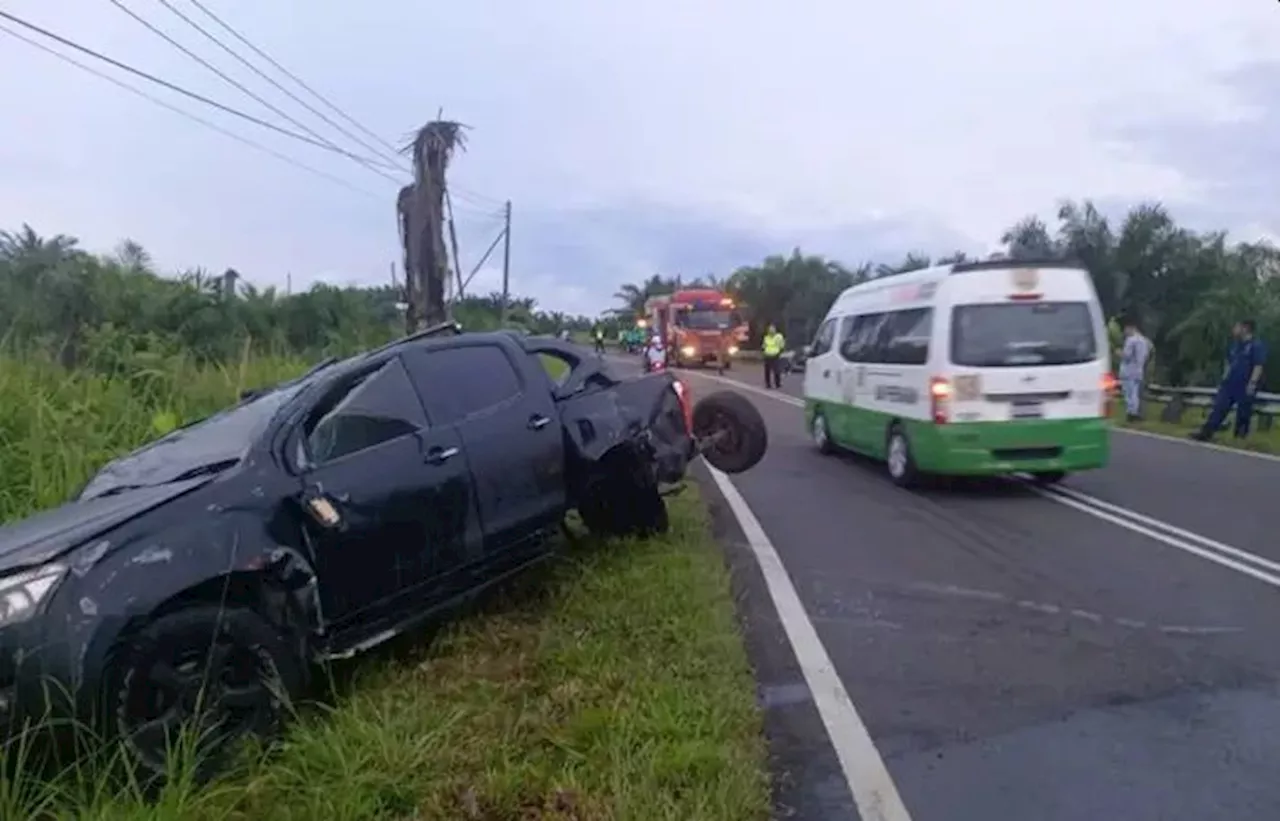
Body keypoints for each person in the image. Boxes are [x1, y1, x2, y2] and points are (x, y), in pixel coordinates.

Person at [1191, 319, 1266, 441]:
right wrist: (1224, 379)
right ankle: (1206, 433)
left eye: (1237, 326)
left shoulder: (1256, 345)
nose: (1234, 330)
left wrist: (1252, 383)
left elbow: (1258, 365)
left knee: (1243, 413)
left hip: (1245, 385)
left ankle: (1240, 437)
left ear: (1245, 328)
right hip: (1229, 384)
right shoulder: (1235, 345)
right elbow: (1229, 363)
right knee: (1219, 408)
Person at [1118, 318, 1152, 421]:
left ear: (1131, 328)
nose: (1125, 332)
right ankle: (1135, 412)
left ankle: (1131, 413)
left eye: (1126, 329)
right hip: (1138, 370)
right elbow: (1147, 354)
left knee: (1129, 393)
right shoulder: (1144, 341)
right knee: (1135, 393)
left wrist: (1119, 353)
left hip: (1128, 370)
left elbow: (1127, 356)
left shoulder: (1131, 340)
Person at [761, 324, 786, 389]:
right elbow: (764, 346)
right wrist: (764, 351)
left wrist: (780, 352)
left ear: (775, 330)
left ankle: (777, 383)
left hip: (775, 355)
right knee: (767, 371)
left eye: (772, 329)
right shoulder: (766, 337)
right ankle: (768, 384)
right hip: (767, 355)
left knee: (776, 370)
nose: (771, 331)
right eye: (769, 329)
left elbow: (781, 345)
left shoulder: (779, 336)